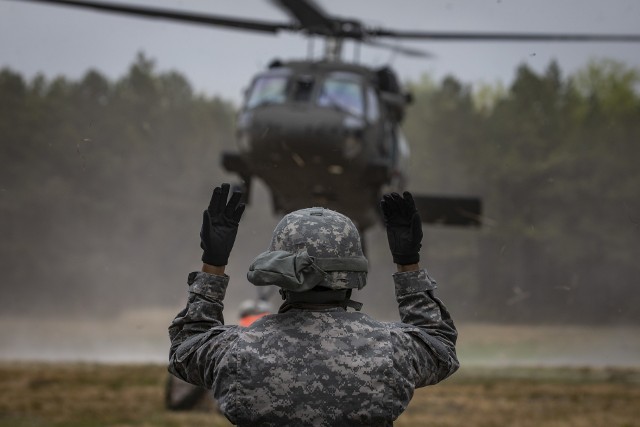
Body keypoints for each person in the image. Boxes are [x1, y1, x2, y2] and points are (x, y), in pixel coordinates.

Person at [168, 183, 459, 426]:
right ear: (353, 274)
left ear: (279, 275)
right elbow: (440, 347)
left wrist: (213, 264)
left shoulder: (237, 351)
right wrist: (408, 263)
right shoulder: (391, 350)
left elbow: (187, 348)